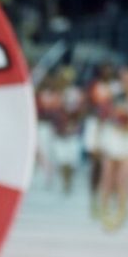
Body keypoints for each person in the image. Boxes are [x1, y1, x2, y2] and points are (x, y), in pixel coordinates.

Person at [97, 65, 128, 231]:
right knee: (108, 178)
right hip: (113, 140)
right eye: (124, 79)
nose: (127, 82)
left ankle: (121, 213)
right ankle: (105, 212)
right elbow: (103, 115)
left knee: (123, 179)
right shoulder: (113, 97)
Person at [82, 62, 118, 216]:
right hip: (95, 125)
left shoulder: (117, 87)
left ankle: (107, 198)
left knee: (109, 164)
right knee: (96, 164)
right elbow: (86, 104)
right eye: (104, 70)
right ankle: (94, 197)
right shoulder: (93, 86)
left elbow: (119, 107)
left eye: (109, 70)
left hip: (111, 127)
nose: (107, 73)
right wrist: (96, 110)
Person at [49, 66, 84, 195]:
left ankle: (69, 180)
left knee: (71, 161)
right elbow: (51, 111)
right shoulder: (55, 93)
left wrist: (73, 120)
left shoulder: (75, 93)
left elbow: (81, 111)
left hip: (72, 132)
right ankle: (65, 182)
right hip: (59, 132)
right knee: (62, 161)